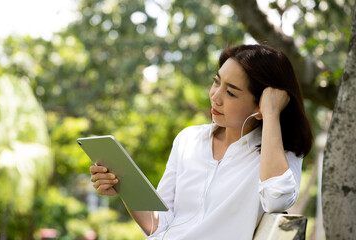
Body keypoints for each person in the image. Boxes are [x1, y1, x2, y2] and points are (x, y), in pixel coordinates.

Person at [89, 44, 313, 240]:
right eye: (217, 82)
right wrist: (124, 188)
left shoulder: (280, 154)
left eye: (231, 93)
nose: (215, 96)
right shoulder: (189, 139)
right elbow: (159, 225)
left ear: (260, 106)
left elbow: (277, 199)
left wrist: (272, 114)